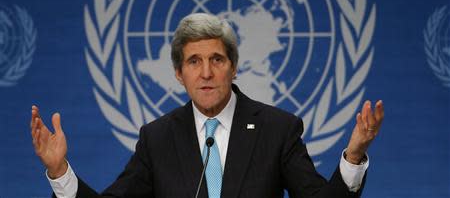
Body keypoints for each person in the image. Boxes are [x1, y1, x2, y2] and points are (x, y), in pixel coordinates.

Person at [31, 13, 384, 198]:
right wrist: (61, 171)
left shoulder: (278, 129)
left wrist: (352, 158)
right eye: (194, 62)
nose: (206, 73)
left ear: (233, 66)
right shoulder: (158, 138)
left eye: (216, 59)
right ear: (178, 73)